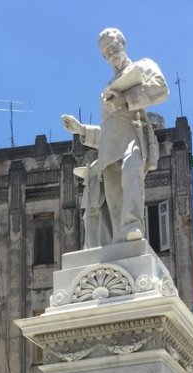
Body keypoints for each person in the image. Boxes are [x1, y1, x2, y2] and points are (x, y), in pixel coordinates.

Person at [62, 28, 168, 247]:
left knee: (131, 170)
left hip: (133, 137)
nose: (111, 53)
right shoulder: (105, 92)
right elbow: (107, 131)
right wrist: (81, 130)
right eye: (106, 52)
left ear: (123, 43)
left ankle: (133, 225)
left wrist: (125, 100)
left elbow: (161, 88)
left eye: (113, 47)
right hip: (110, 148)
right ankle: (122, 242)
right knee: (113, 197)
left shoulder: (143, 66)